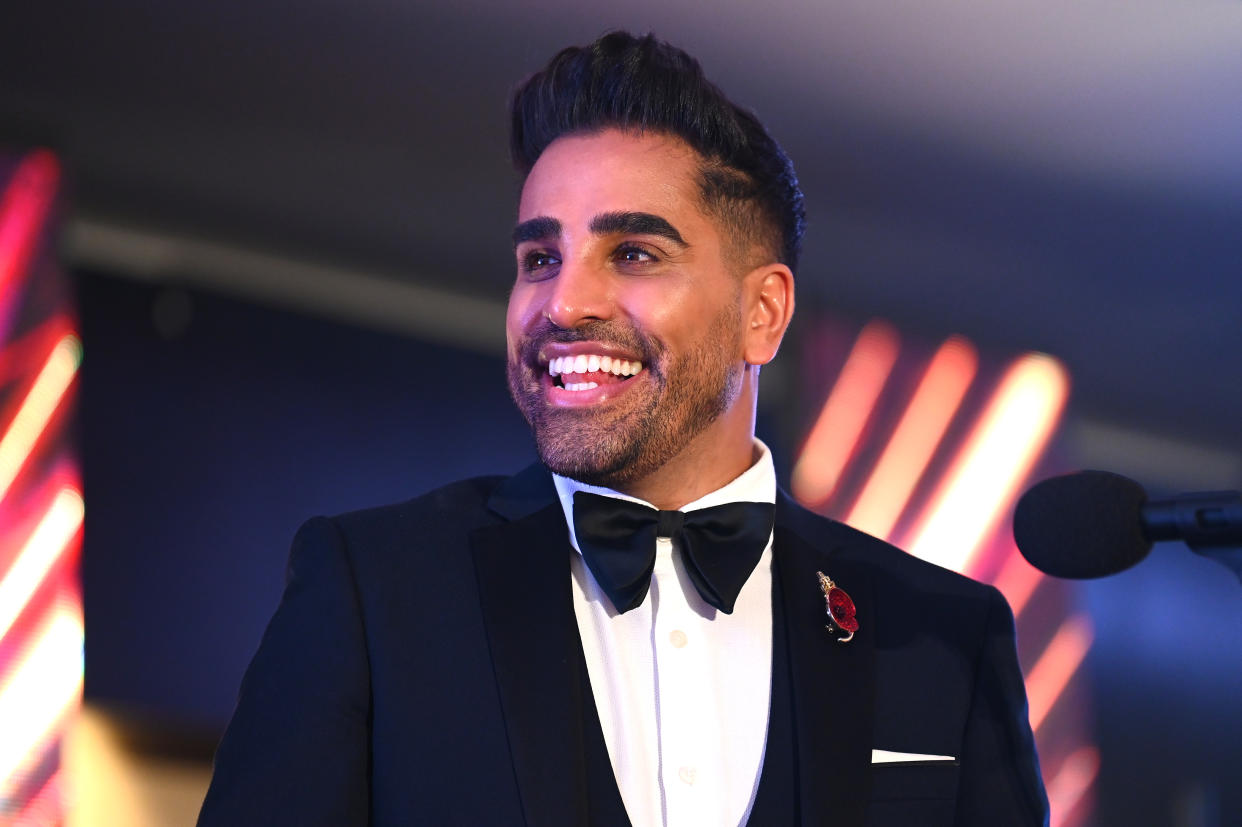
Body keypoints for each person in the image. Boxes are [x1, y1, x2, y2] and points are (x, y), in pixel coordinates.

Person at [198, 31, 1049, 827]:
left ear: (763, 313)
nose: (565, 303)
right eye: (540, 258)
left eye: (634, 253)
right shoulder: (373, 591)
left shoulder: (942, 634)